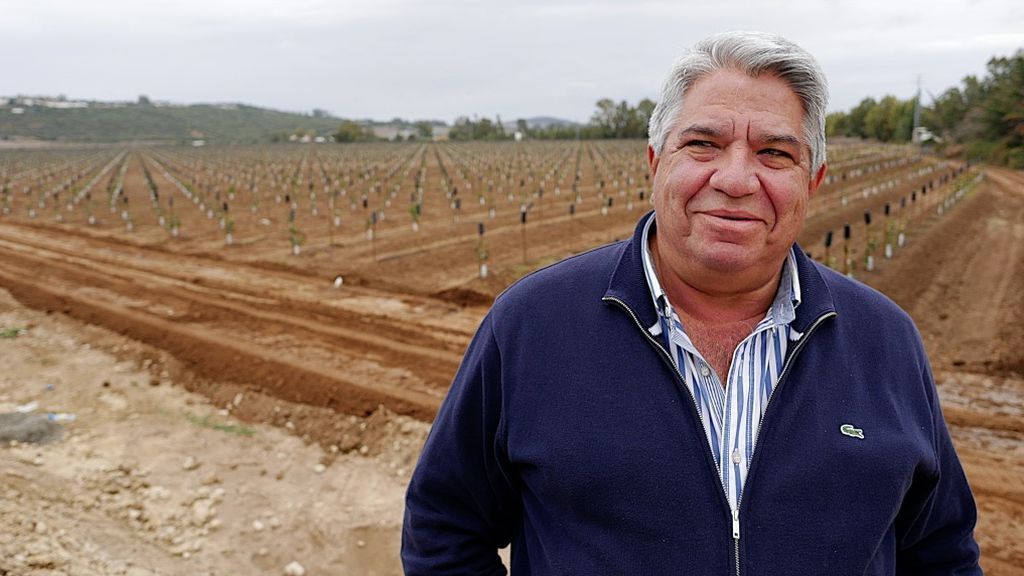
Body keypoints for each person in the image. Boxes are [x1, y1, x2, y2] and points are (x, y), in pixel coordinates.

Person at [402, 31, 982, 575]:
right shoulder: (531, 323)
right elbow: (445, 525)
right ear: (657, 163)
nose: (735, 179)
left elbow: (941, 550)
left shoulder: (885, 338)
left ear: (814, 179)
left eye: (775, 154)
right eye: (703, 143)